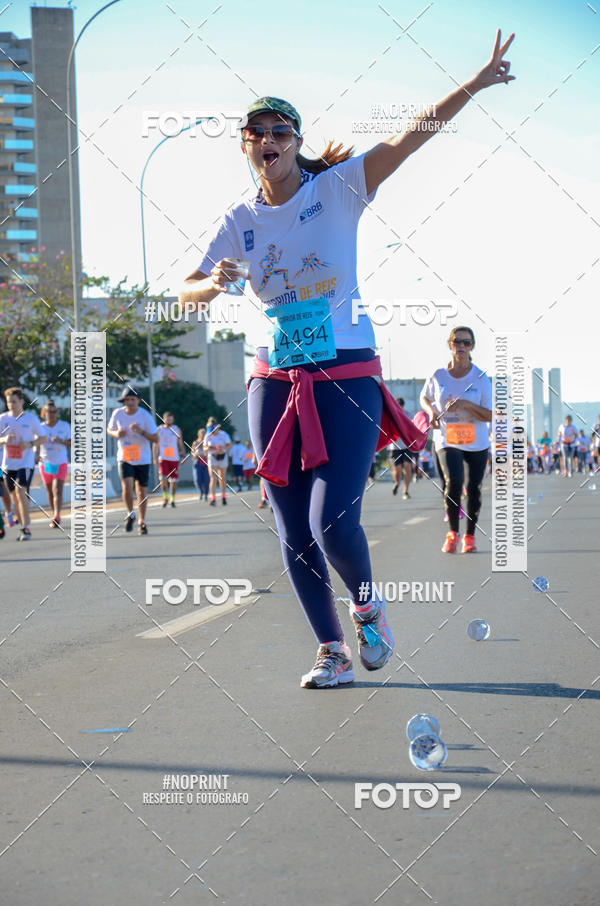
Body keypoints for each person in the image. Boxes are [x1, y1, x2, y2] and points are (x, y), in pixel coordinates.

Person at [178, 32, 515, 687]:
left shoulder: (337, 190)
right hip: (273, 378)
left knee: (330, 519)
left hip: (347, 371)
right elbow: (185, 294)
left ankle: (367, 606)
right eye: (256, 131)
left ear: (296, 142)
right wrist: (210, 282)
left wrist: (476, 82)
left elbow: (414, 135)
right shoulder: (237, 220)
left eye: (280, 129)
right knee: (289, 523)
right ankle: (331, 649)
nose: (268, 138)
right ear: (245, 146)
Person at [421, 326, 493, 553]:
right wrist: (431, 412)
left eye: (466, 342)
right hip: (446, 438)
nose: (461, 346)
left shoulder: (480, 378)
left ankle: (470, 536)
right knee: (454, 482)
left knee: (474, 488)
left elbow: (490, 414)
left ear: (472, 347)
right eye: (457, 341)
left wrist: (466, 405)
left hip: (477, 441)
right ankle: (452, 533)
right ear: (450, 344)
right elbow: (424, 397)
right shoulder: (438, 375)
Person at [107, 386, 158, 535]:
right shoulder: (118, 413)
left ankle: (142, 521)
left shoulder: (145, 416)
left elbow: (156, 438)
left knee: (142, 491)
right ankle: (130, 513)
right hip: (125, 456)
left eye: (132, 399)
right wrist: (117, 433)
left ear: (138, 401)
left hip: (143, 457)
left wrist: (141, 432)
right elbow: (109, 430)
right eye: (127, 400)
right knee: (126, 486)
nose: (130, 402)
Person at [0, 386, 46, 540]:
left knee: (21, 492)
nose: (11, 405)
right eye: (8, 402)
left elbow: (43, 437)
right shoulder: (3, 419)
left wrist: (30, 444)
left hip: (25, 463)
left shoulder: (31, 419)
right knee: (14, 498)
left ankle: (26, 527)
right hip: (8, 464)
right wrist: (4, 440)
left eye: (14, 402)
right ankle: (22, 524)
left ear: (21, 401)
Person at [37, 401, 71, 527]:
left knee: (58, 489)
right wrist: (36, 456)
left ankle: (57, 515)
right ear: (43, 413)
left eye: (54, 411)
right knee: (50, 491)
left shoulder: (64, 425)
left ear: (57, 412)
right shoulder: (40, 427)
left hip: (60, 461)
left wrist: (61, 441)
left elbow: (72, 443)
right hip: (45, 463)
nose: (51, 414)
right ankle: (53, 514)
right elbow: (36, 445)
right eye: (48, 411)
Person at [154, 411, 185, 508]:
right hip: (163, 458)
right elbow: (155, 445)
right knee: (163, 479)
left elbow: (180, 443)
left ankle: (172, 499)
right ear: (164, 419)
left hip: (174, 459)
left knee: (173, 481)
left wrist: (183, 456)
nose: (169, 421)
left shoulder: (176, 429)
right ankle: (165, 497)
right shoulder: (159, 429)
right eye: (167, 419)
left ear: (173, 420)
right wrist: (154, 457)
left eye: (171, 419)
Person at [389, 398, 415, 499]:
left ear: (403, 406)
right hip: (395, 447)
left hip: (406, 446)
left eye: (400, 407)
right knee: (398, 470)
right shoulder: (391, 415)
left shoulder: (409, 415)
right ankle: (396, 483)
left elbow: (413, 428)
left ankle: (405, 491)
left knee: (407, 466)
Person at [203, 417, 231, 506]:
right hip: (212, 457)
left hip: (222, 457)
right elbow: (204, 448)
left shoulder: (223, 434)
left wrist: (223, 449)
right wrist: (212, 448)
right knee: (213, 477)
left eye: (213, 431)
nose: (212, 434)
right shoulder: (207, 435)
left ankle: (223, 496)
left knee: (222, 478)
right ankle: (213, 498)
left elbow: (229, 445)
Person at [191, 428, 210, 500]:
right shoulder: (195, 442)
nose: (203, 435)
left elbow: (209, 452)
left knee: (206, 480)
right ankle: (201, 491)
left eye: (204, 434)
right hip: (198, 463)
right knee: (198, 480)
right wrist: (194, 455)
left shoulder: (207, 443)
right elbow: (193, 452)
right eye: (201, 434)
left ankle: (206, 494)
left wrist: (204, 455)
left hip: (206, 463)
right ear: (198, 435)